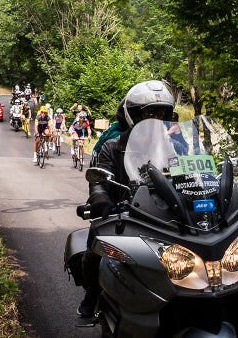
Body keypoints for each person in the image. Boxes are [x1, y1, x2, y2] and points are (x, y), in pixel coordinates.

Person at [78, 80, 177, 318]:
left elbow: (186, 174)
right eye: (150, 112)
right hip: (123, 212)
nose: (156, 117)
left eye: (162, 112)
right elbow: (99, 181)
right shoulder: (113, 146)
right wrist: (101, 199)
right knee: (95, 250)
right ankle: (92, 295)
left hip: (163, 213)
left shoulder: (170, 146)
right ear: (133, 115)